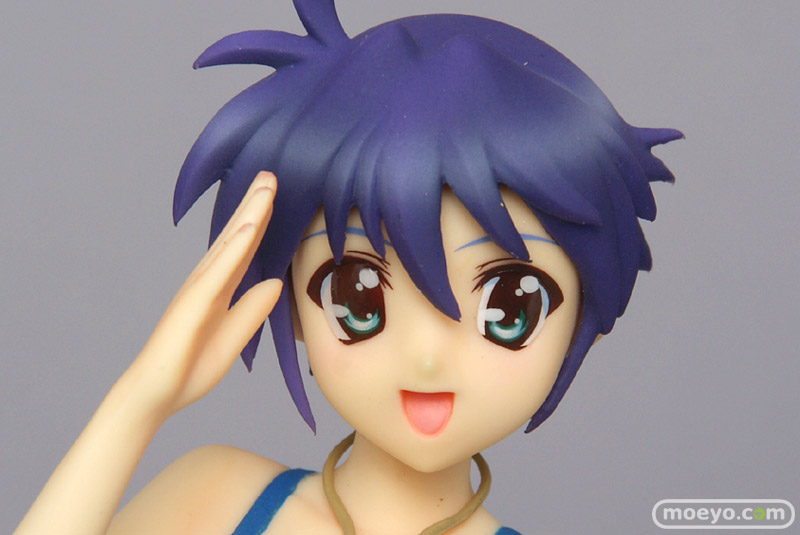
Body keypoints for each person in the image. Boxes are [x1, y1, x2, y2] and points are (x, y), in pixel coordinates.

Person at [15, 0, 681, 533]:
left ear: (583, 318)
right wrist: (138, 402)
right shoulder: (216, 496)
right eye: (358, 296)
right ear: (290, 301)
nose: (426, 358)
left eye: (510, 307)